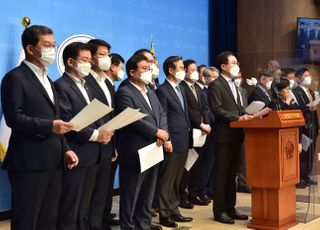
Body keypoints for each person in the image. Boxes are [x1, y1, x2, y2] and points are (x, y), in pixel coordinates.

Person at [0, 25, 78, 230]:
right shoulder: (15, 78)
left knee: (48, 219)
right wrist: (50, 127)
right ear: (30, 49)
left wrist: (66, 148)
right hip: (29, 163)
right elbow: (13, 118)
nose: (52, 50)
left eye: (54, 45)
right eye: (46, 45)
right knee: (27, 220)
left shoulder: (48, 80)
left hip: (54, 160)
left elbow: (56, 118)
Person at [54, 42, 114, 230]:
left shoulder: (85, 85)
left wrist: (103, 133)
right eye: (84, 60)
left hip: (92, 154)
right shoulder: (61, 86)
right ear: (71, 62)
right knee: (70, 205)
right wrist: (97, 135)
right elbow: (68, 121)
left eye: (90, 60)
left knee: (84, 205)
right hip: (76, 152)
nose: (89, 64)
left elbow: (92, 115)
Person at [115, 54, 168, 230]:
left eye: (149, 68)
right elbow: (131, 119)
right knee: (132, 192)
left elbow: (161, 114)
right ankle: (128, 226)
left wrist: (163, 133)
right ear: (132, 72)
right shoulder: (124, 92)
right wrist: (156, 131)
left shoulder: (151, 92)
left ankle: (143, 224)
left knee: (147, 192)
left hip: (154, 147)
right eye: (144, 68)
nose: (149, 71)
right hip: (135, 150)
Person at [208, 51, 252, 224]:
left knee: (232, 174)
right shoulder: (216, 85)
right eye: (233, 63)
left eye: (237, 62)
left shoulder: (235, 85)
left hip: (237, 135)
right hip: (223, 136)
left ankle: (230, 207)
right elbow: (217, 110)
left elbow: (240, 109)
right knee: (221, 175)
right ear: (223, 66)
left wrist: (249, 115)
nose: (236, 66)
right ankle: (219, 211)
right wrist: (237, 118)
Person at [156, 56, 193, 228]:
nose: (183, 71)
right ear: (170, 70)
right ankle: (164, 214)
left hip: (184, 139)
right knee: (167, 179)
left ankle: (174, 210)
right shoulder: (162, 90)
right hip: (172, 140)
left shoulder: (181, 88)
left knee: (177, 179)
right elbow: (163, 117)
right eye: (180, 68)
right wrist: (167, 139)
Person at [84, 38, 116, 230]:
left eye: (108, 55)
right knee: (88, 194)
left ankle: (98, 225)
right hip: (89, 144)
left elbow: (112, 114)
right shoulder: (84, 80)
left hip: (108, 144)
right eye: (101, 55)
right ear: (91, 58)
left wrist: (115, 144)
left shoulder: (108, 82)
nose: (106, 59)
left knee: (102, 194)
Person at [179, 59, 211, 208]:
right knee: (187, 166)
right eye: (191, 70)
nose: (195, 73)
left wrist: (206, 124)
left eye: (195, 70)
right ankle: (182, 195)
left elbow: (204, 107)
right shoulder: (182, 87)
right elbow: (188, 110)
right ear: (184, 71)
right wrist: (199, 124)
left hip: (201, 132)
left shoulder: (197, 88)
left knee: (197, 165)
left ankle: (194, 193)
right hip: (190, 131)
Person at [102, 52, 125, 228]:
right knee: (102, 184)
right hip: (101, 140)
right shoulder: (104, 86)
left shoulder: (113, 87)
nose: (121, 71)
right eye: (121, 67)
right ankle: (101, 215)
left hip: (113, 142)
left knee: (107, 182)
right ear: (112, 66)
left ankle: (106, 212)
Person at [292, 68, 319, 188]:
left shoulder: (311, 91)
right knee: (303, 153)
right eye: (305, 75)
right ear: (298, 78)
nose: (308, 78)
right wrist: (308, 108)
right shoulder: (296, 91)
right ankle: (300, 177)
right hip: (304, 126)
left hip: (313, 125)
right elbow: (298, 108)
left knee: (310, 153)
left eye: (309, 75)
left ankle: (307, 175)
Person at [198, 66, 219, 200]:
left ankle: (210, 189)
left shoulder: (215, 91)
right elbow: (207, 113)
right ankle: (202, 190)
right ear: (206, 79)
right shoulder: (203, 93)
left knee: (214, 164)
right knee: (206, 164)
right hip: (209, 131)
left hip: (218, 132)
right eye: (215, 78)